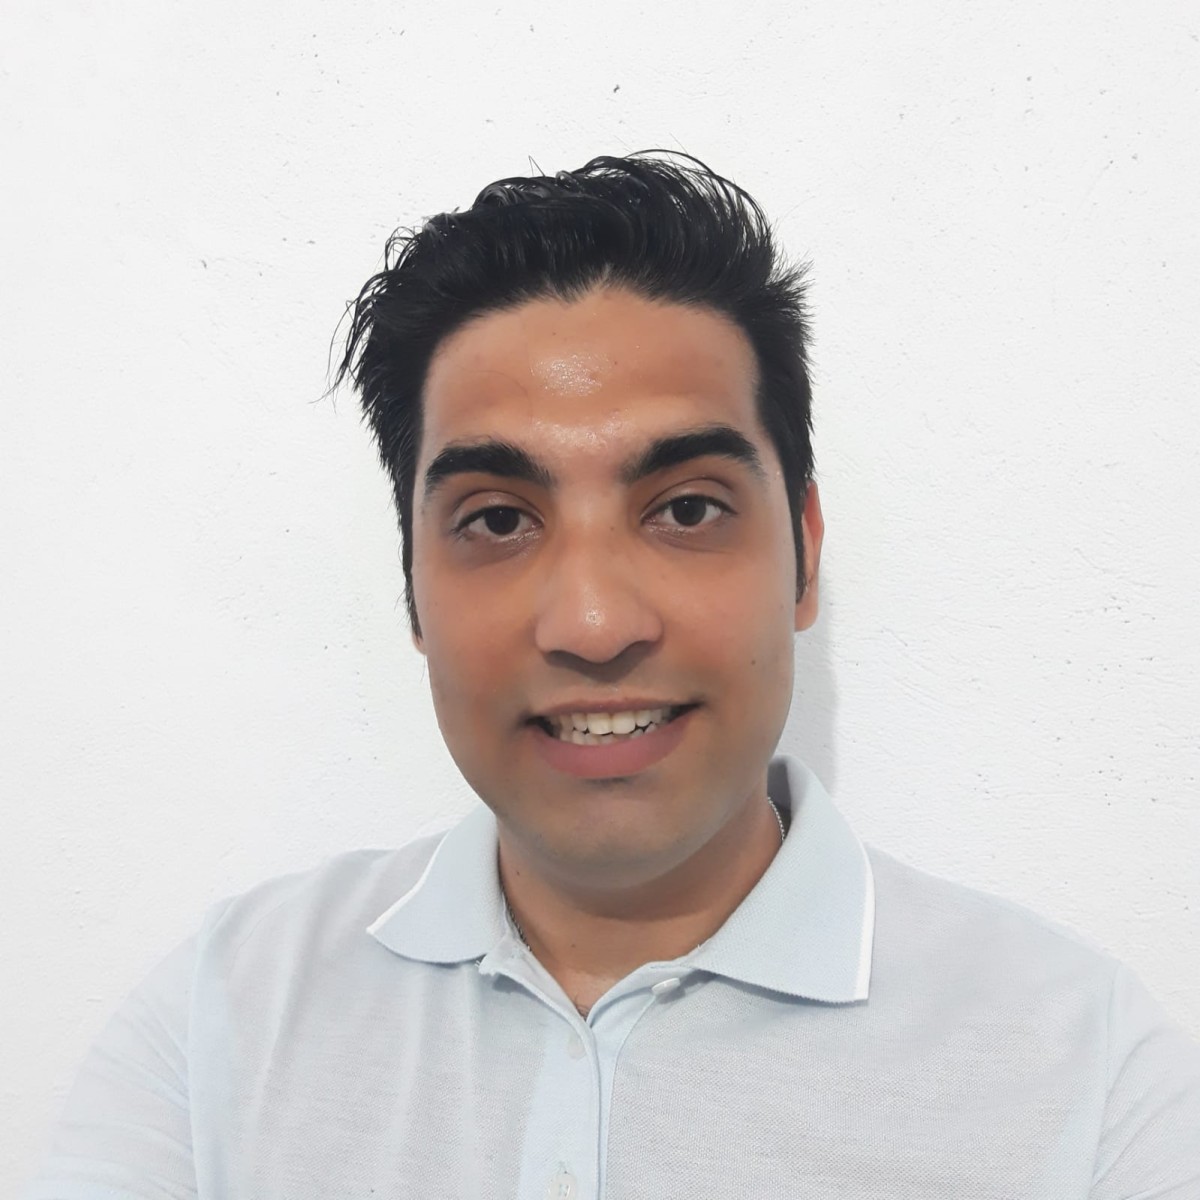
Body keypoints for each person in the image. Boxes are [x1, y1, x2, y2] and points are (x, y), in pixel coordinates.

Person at [27, 151, 1200, 1198]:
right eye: (497, 520)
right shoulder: (225, 1019)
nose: (593, 624)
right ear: (412, 589)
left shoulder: (1083, 1070)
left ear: (803, 556)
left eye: (686, 508)